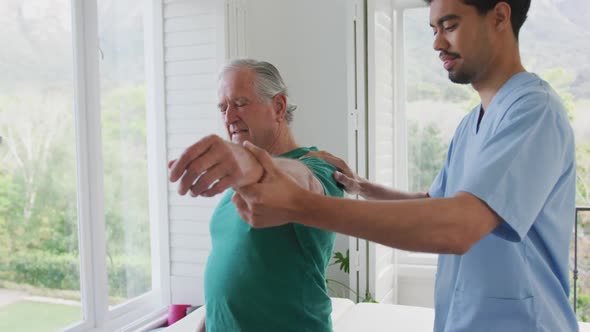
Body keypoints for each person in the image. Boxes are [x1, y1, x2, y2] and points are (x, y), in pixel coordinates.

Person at [230, 0, 579, 330]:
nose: (437, 43)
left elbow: (457, 226)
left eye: (450, 25)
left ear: (500, 16)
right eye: (433, 30)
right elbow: (434, 205)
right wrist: (361, 187)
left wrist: (299, 205)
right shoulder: (473, 122)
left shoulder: (535, 111)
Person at [168, 59, 343, 332]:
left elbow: (303, 182)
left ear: (278, 107)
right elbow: (230, 275)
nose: (228, 118)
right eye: (223, 107)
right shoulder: (240, 177)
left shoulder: (318, 167)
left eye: (240, 103)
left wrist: (252, 163)